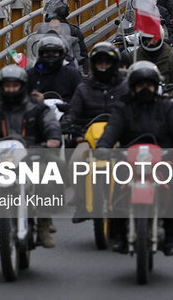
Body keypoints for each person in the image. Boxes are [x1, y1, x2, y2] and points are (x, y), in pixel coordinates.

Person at [96, 61, 173, 256]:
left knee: (170, 190)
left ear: (156, 86)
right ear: (133, 87)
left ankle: (171, 236)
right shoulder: (123, 108)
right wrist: (103, 146)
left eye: (149, 85)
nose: (145, 89)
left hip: (162, 159)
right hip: (128, 159)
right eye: (140, 85)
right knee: (117, 191)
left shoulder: (167, 107)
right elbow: (111, 129)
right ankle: (119, 235)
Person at [0, 64, 62, 252]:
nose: (11, 89)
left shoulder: (37, 107)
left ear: (23, 86)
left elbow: (50, 123)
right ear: (1, 86)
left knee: (48, 176)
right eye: (7, 85)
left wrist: (52, 139)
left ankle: (43, 224)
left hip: (31, 152)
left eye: (15, 85)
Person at [63, 42, 128, 221]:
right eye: (100, 63)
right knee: (76, 161)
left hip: (121, 136)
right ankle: (82, 199)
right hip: (88, 137)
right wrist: (67, 124)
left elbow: (135, 109)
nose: (104, 67)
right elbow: (73, 113)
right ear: (94, 65)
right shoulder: (83, 88)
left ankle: (132, 197)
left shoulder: (126, 86)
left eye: (107, 63)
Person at [27, 35, 83, 102]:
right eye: (47, 53)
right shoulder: (31, 74)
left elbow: (80, 98)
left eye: (54, 53)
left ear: (61, 54)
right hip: (38, 110)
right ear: (40, 54)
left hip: (66, 110)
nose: (51, 56)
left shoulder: (72, 74)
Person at [42, 0, 88, 68]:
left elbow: (82, 56)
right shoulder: (43, 30)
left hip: (68, 68)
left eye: (50, 13)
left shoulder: (73, 31)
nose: (48, 15)